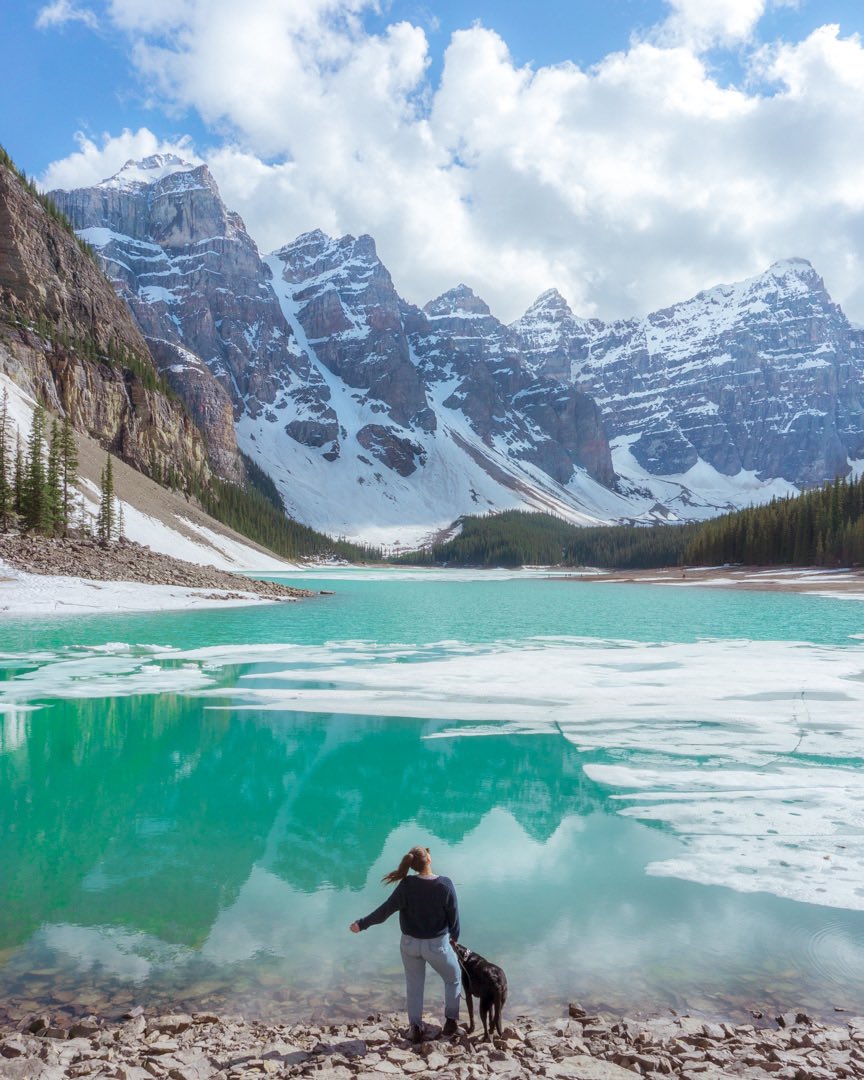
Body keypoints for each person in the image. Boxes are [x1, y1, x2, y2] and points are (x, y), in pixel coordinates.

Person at [349, 845, 461, 1043]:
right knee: (453, 978)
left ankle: (415, 1028)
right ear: (429, 859)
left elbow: (385, 911)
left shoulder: (406, 885)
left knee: (414, 985)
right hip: (437, 945)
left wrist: (362, 924)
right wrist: (454, 939)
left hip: (409, 945)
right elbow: (454, 918)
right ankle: (451, 1023)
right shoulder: (445, 885)